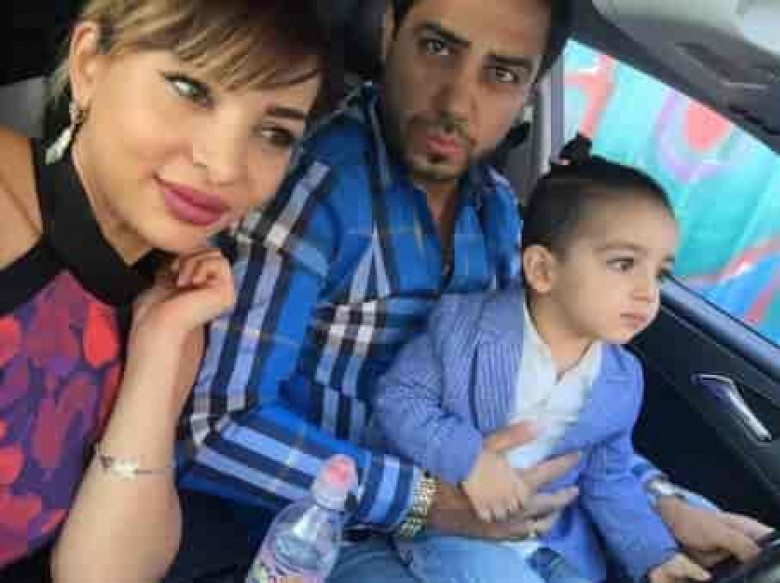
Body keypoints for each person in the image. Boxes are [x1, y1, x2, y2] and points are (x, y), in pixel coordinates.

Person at [176, 0, 771, 580]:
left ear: (530, 88)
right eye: (438, 47)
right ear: (389, 32)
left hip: (486, 495)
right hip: (325, 529)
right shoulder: (313, 194)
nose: (457, 102)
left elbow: (544, 401)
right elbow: (212, 430)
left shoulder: (497, 212)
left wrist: (662, 500)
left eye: (502, 73)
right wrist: (427, 502)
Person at [0, 0, 332, 581]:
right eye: (189, 89)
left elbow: (101, 573)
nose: (223, 165)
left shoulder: (174, 321)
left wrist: (159, 344)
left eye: (274, 133)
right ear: (89, 64)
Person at [369, 138, 709, 583]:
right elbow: (399, 399)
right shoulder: (463, 328)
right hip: (452, 533)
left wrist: (653, 555)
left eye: (660, 273)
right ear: (543, 270)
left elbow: (608, 479)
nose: (648, 292)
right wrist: (470, 460)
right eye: (624, 264)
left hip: (549, 538)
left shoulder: (623, 380)